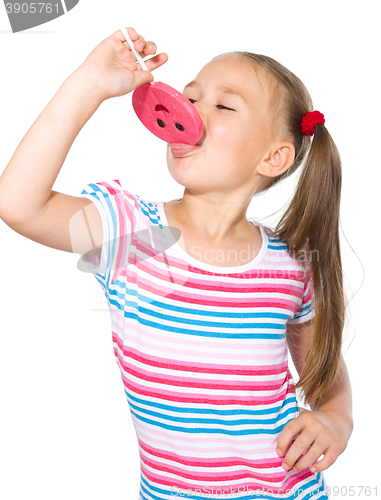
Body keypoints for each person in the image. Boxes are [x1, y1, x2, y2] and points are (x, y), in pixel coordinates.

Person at [0, 26, 353, 500]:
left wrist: (336, 418)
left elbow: (323, 370)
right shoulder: (130, 232)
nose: (188, 112)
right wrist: (90, 83)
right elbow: (20, 204)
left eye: (224, 106)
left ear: (274, 157)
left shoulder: (291, 266)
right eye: (189, 97)